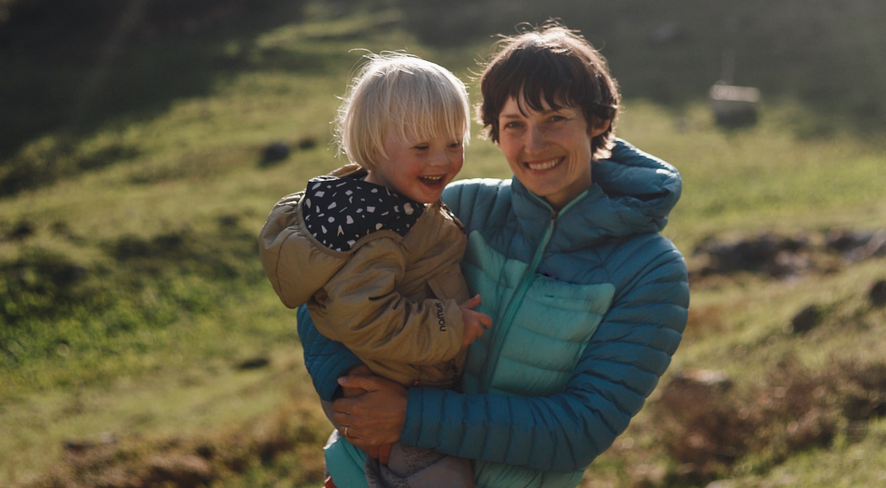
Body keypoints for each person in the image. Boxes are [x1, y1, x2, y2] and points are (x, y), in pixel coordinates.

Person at [295, 22, 690, 488]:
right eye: (514, 125)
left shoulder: (650, 271)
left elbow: (579, 430)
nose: (533, 145)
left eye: (555, 120)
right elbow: (328, 289)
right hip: (356, 474)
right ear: (494, 133)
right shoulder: (461, 209)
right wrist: (351, 396)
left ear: (598, 120)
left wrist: (408, 417)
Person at [258, 52, 492, 488]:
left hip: (393, 379)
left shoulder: (376, 201)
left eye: (454, 144)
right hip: (394, 388)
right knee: (447, 477)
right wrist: (450, 325)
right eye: (421, 148)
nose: (441, 161)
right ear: (374, 146)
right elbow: (363, 316)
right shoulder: (379, 230)